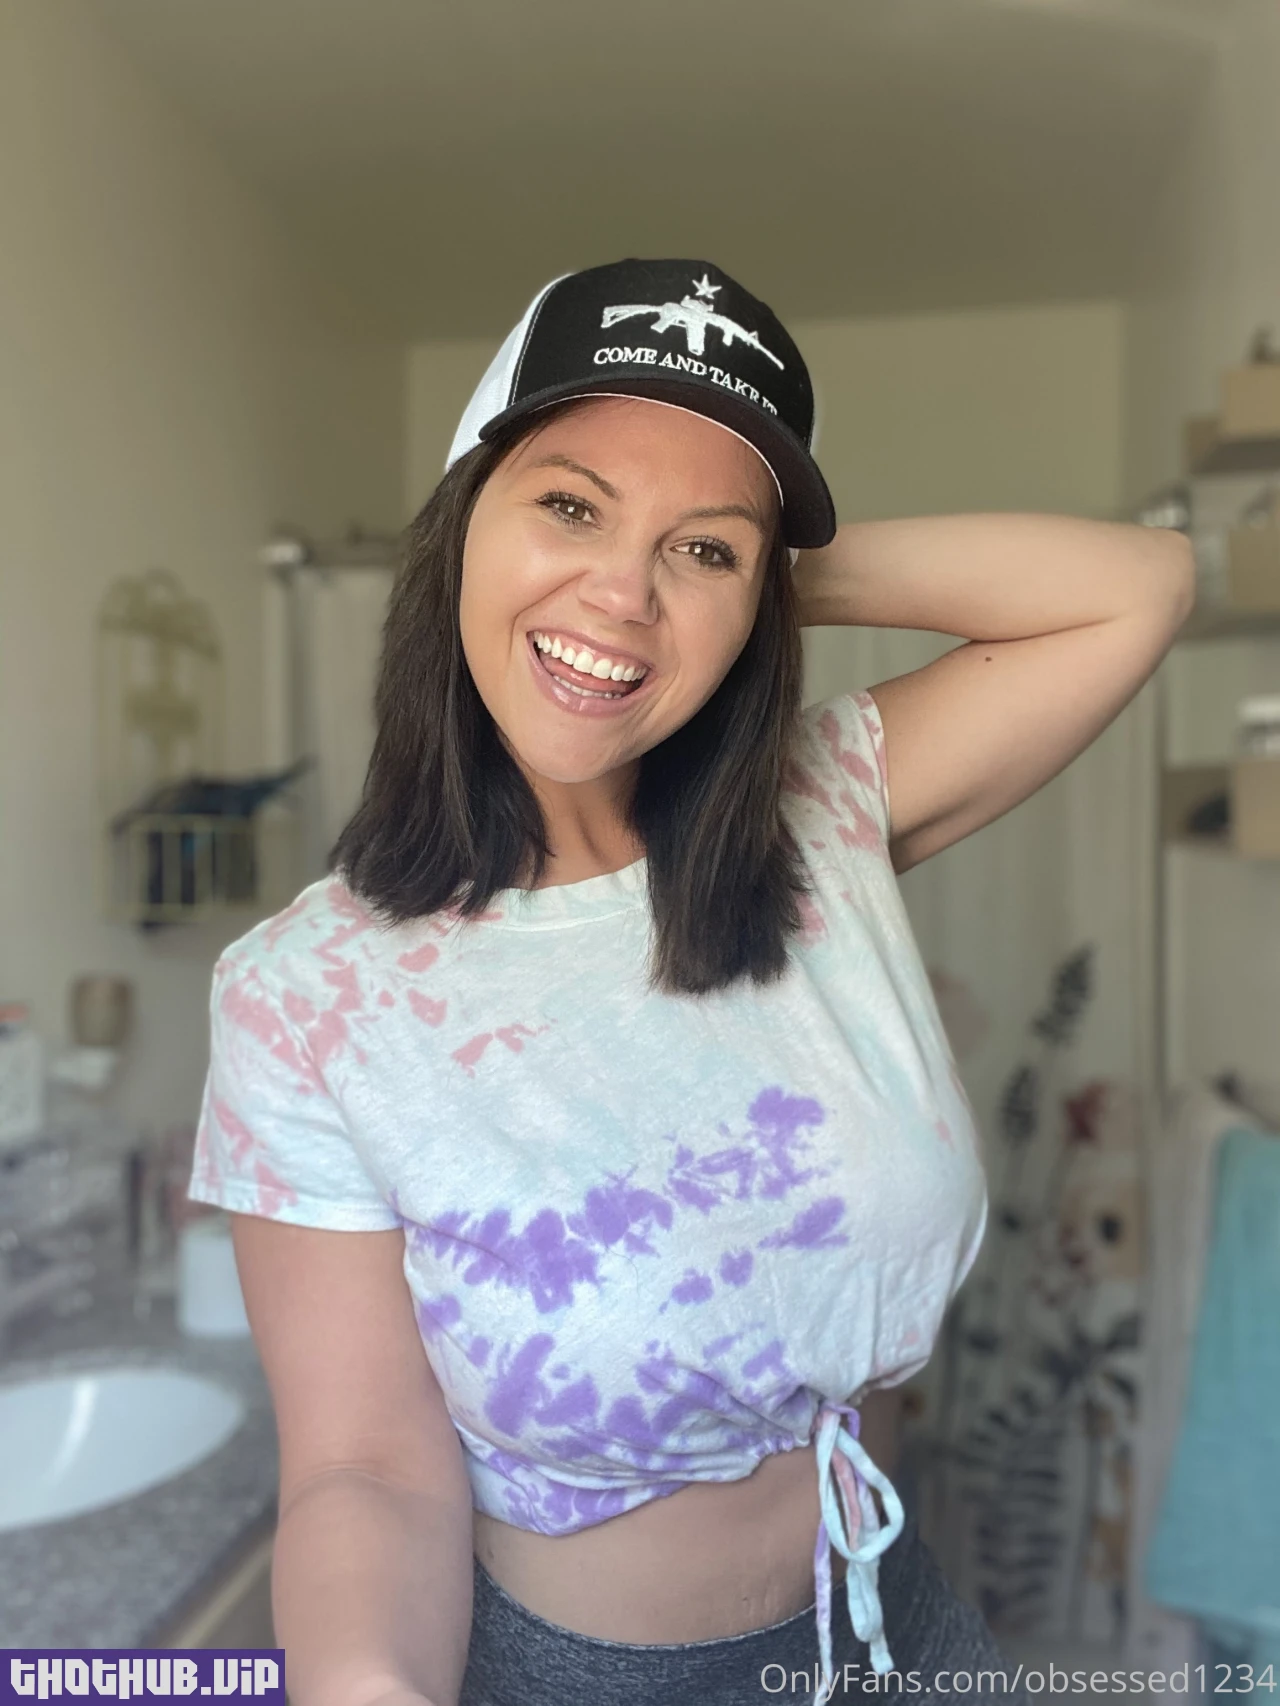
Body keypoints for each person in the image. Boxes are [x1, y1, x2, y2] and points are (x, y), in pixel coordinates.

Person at [188, 257, 1193, 1706]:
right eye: (570, 507)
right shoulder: (305, 991)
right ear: (466, 521)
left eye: (703, 551)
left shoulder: (820, 808)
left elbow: (1142, 586)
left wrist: (759, 582)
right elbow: (364, 1468)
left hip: (893, 1624)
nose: (622, 592)